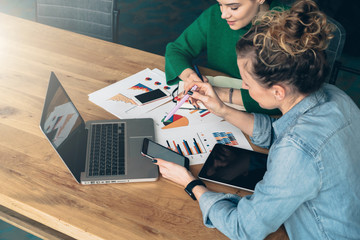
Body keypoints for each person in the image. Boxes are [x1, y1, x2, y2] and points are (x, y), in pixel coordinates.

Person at [155, 0, 360, 239]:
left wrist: (191, 184)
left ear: (277, 92)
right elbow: (278, 132)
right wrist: (222, 109)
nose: (242, 86)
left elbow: (243, 228)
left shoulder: (295, 152)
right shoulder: (337, 97)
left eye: (248, 83)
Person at [165, 0, 287, 114]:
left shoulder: (290, 26)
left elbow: (287, 100)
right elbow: (176, 50)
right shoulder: (214, 15)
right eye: (220, 4)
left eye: (234, 7)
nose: (223, 15)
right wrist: (189, 76)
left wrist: (221, 93)